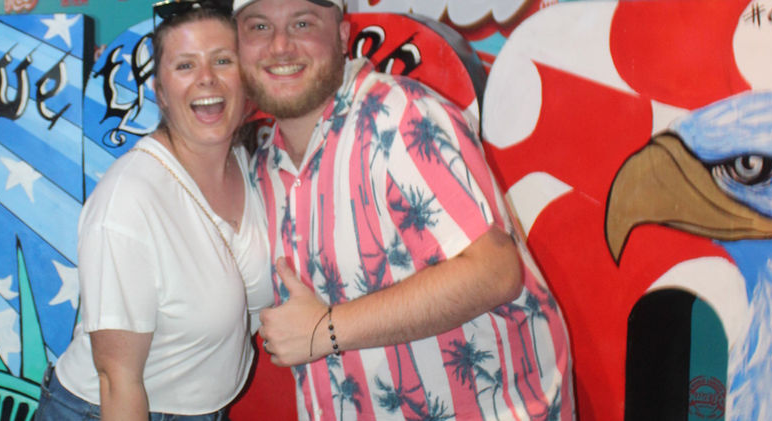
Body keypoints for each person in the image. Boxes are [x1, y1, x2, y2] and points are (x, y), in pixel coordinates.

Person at [234, 0, 575, 419]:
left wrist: (327, 330)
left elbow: (493, 271)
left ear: (342, 36)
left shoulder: (397, 116)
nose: (281, 45)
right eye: (259, 26)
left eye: (303, 23)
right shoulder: (266, 164)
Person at [34, 3, 273, 420]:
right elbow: (117, 380)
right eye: (185, 65)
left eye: (222, 60)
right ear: (160, 92)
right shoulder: (128, 201)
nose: (207, 78)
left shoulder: (248, 163)